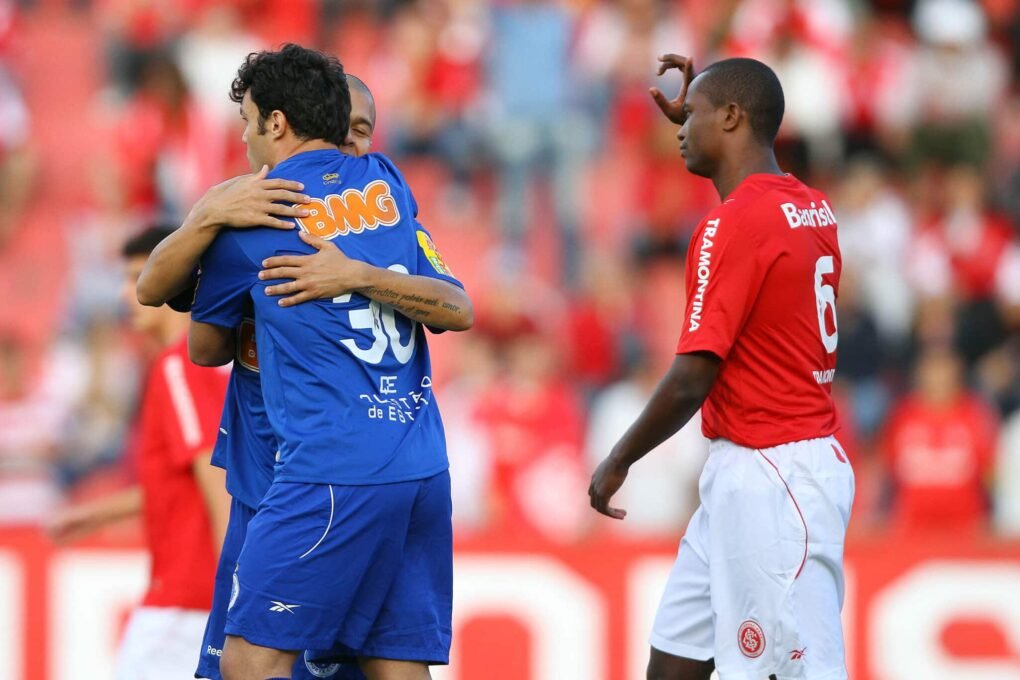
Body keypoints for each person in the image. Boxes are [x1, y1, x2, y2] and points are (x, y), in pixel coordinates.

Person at [188, 44, 471, 680]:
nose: (243, 135)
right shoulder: (389, 188)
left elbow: (200, 347)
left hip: (328, 472)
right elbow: (458, 308)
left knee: (249, 663)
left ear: (277, 123)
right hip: (418, 464)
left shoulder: (256, 217)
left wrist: (209, 220)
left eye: (248, 120)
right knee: (396, 667)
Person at [589, 55, 854, 680]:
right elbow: (745, 113)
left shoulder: (732, 222)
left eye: (694, 115)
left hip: (774, 473)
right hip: (759, 464)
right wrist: (712, 96)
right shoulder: (812, 207)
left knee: (786, 672)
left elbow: (693, 374)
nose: (678, 126)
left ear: (732, 117)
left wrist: (618, 459)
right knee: (673, 663)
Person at [135, 75, 389, 680]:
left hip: (336, 485)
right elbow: (154, 290)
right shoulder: (251, 207)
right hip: (262, 486)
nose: (348, 145)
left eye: (362, 132)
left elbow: (449, 308)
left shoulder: (381, 220)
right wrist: (205, 214)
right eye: (340, 129)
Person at [48, 227, 231, 680]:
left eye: (136, 278)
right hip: (195, 603)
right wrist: (99, 514)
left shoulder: (176, 367)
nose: (124, 294)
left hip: (183, 606)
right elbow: (182, 482)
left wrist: (237, 591)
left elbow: (215, 478)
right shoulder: (208, 369)